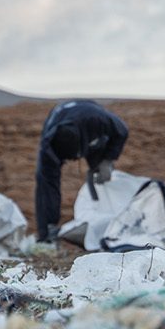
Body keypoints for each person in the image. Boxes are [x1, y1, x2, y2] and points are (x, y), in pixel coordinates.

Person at [35, 100, 128, 242]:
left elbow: (122, 131)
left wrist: (108, 160)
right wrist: (46, 230)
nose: (72, 160)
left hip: (91, 131)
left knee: (102, 177)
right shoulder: (49, 146)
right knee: (47, 182)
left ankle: (112, 223)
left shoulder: (98, 120)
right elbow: (47, 189)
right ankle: (48, 233)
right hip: (63, 128)